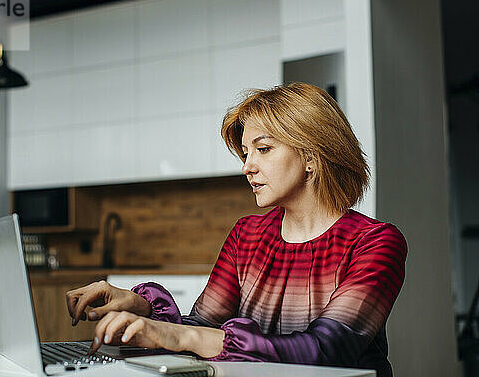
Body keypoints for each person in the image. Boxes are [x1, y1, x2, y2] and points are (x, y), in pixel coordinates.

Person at [65, 82, 407, 377]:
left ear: (311, 157)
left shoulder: (374, 243)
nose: (247, 166)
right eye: (245, 152)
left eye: (263, 149)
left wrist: (182, 337)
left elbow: (327, 352)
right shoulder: (247, 234)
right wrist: (141, 307)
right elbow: (204, 328)